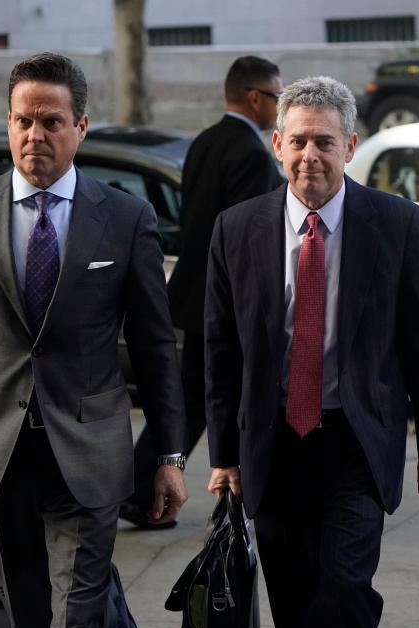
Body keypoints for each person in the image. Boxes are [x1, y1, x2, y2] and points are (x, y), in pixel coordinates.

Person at [0, 52, 188, 628]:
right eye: (23, 121)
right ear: (8, 123)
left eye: (52, 122)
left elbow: (155, 347)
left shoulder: (126, 217)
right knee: (24, 612)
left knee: (80, 614)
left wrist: (168, 456)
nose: (35, 134)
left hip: (89, 448)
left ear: (80, 127)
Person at [204, 76, 419, 628]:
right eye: (298, 142)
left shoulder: (395, 223)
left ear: (350, 144)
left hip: (356, 443)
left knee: (344, 588)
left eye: (323, 142)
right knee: (293, 602)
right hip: (273, 447)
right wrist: (224, 453)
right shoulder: (237, 229)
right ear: (277, 145)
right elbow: (221, 353)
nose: (309, 156)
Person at [121, 55, 284, 529]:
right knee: (225, 403)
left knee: (194, 401)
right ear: (255, 97)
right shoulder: (251, 155)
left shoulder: (205, 143)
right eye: (277, 95)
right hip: (228, 304)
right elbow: (247, 239)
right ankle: (214, 498)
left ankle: (142, 492)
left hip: (195, 296)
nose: (280, 105)